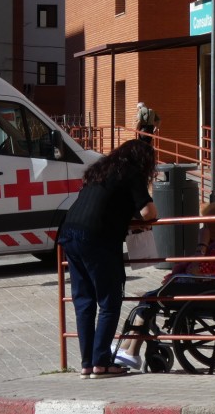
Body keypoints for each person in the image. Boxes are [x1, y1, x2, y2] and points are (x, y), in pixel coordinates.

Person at [56, 138, 158, 378]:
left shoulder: (100, 169)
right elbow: (148, 212)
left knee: (84, 302)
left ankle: (87, 363)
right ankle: (101, 363)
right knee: (109, 301)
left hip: (69, 233)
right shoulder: (132, 172)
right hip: (97, 237)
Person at [113, 201, 215, 370]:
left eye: (209, 225)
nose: (205, 228)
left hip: (201, 291)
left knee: (150, 300)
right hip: (199, 287)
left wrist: (202, 244)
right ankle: (126, 348)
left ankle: (132, 352)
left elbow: (198, 269)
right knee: (148, 299)